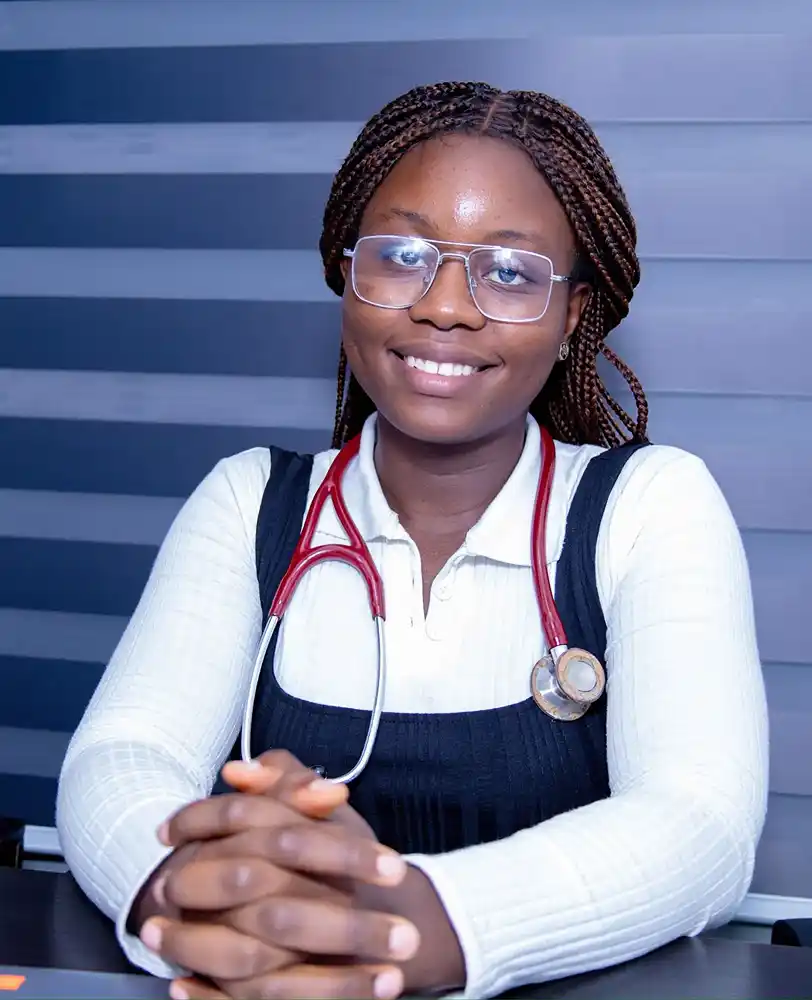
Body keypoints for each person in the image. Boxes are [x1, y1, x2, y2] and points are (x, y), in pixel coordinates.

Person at [56, 81, 768, 1000]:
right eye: (402, 256)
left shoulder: (649, 506)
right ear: (346, 276)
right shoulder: (249, 503)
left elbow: (700, 825)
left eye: (509, 272)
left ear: (572, 316)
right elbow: (120, 761)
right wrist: (198, 896)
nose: (446, 306)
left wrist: (412, 926)